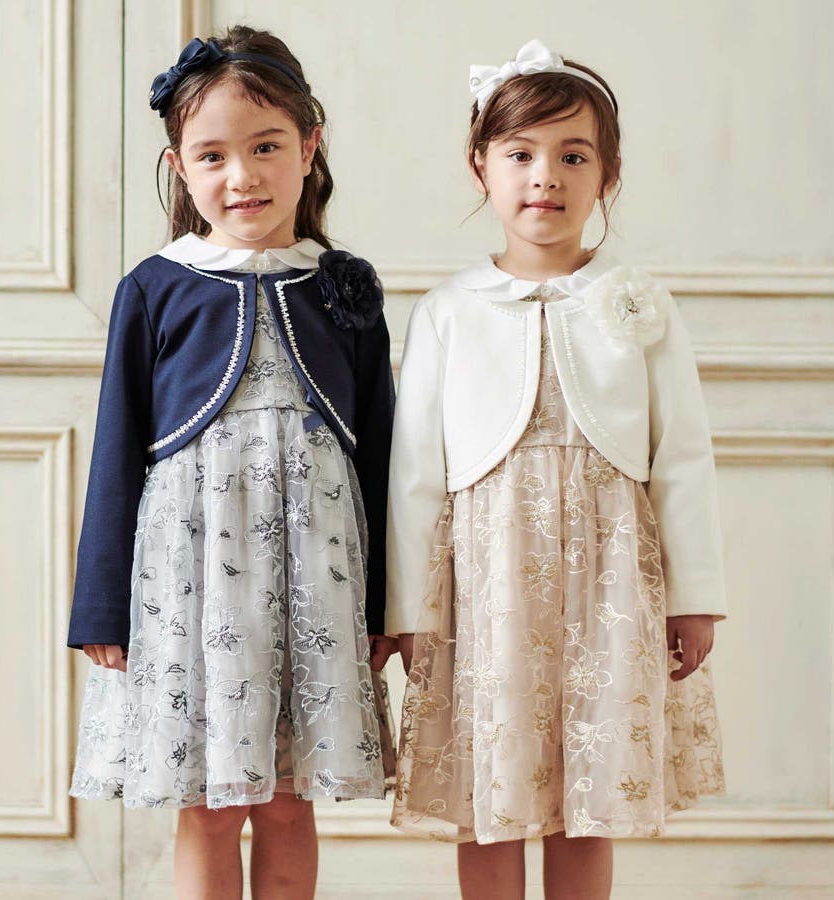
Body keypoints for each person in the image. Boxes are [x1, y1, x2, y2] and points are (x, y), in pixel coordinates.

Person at [386, 39, 726, 900]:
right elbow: (413, 475)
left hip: (613, 582)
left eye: (574, 156)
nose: (546, 176)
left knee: (589, 796)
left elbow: (682, 456)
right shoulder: (447, 310)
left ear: (608, 173)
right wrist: (407, 613)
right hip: (487, 589)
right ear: (481, 167)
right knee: (489, 792)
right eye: (521, 154)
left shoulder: (639, 301)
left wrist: (694, 595)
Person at [66, 25, 396, 899]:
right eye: (213, 156)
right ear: (180, 168)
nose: (242, 175)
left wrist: (388, 604)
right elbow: (114, 454)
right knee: (210, 808)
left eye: (266, 147)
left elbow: (381, 457)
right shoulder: (155, 286)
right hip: (192, 581)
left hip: (315, 581)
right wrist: (100, 605)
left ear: (309, 148)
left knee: (288, 801)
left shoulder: (344, 285)